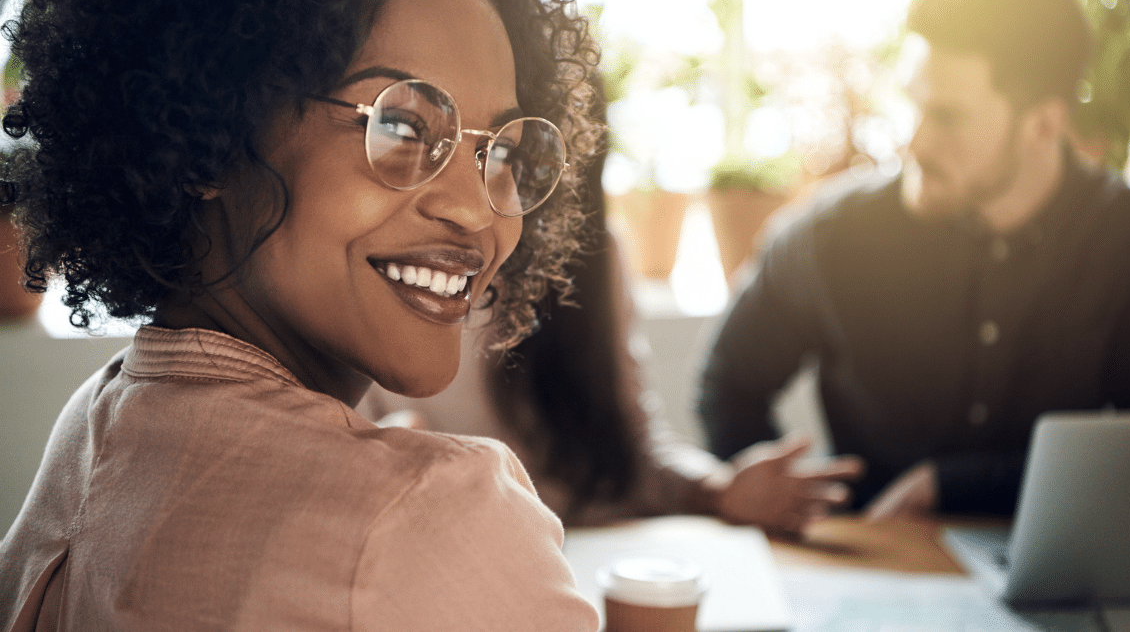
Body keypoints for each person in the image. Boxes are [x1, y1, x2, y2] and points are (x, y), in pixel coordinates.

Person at [0, 0, 605, 629]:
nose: (476, 209)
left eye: (500, 150)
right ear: (212, 140)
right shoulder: (428, 515)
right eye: (401, 126)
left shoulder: (95, 428)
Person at [696, 0, 1130, 519]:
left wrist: (949, 487)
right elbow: (728, 382)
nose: (915, 142)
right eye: (917, 107)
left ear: (1044, 124)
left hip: (1052, 587)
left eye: (948, 117)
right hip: (869, 563)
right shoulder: (833, 235)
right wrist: (782, 501)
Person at [357, 79, 863, 536]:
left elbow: (639, 452)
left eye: (528, 150)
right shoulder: (394, 260)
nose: (490, 189)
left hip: (597, 554)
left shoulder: (596, 253)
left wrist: (719, 491)